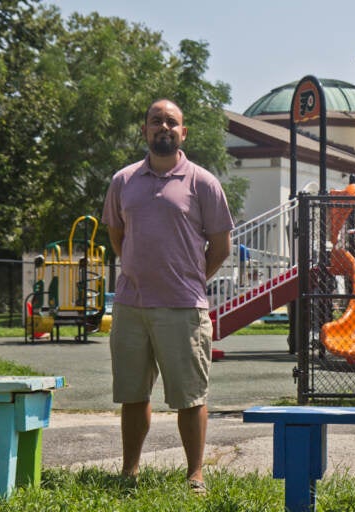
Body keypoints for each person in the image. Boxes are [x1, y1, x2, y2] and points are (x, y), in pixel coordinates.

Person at [102, 98, 233, 493]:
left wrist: (190, 279)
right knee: (132, 394)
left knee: (190, 397)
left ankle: (195, 474)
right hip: (130, 306)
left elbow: (221, 246)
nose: (163, 127)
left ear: (183, 132)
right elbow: (116, 235)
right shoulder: (123, 181)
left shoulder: (203, 182)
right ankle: (130, 471)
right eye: (155, 121)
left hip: (183, 308)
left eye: (171, 122)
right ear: (144, 131)